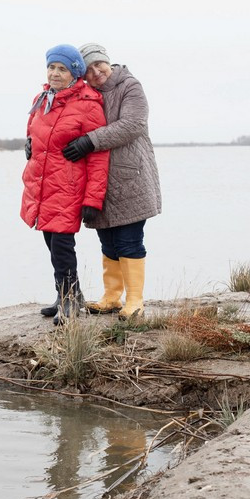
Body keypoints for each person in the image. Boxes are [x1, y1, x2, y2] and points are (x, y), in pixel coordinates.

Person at [61, 43, 162, 320]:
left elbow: (133, 125)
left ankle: (135, 301)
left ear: (108, 61)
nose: (96, 72)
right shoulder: (85, 94)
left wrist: (89, 141)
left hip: (131, 177)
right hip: (99, 181)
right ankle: (111, 297)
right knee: (107, 241)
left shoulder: (130, 86)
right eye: (89, 69)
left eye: (99, 64)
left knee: (129, 241)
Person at [21, 44, 110, 325]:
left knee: (61, 244)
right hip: (42, 184)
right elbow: (35, 130)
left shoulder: (88, 104)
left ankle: (70, 299)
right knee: (50, 240)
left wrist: (93, 199)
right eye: (51, 67)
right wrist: (29, 143)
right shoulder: (42, 99)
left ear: (75, 73)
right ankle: (68, 295)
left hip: (69, 187)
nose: (55, 73)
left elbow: (99, 156)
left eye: (62, 69)